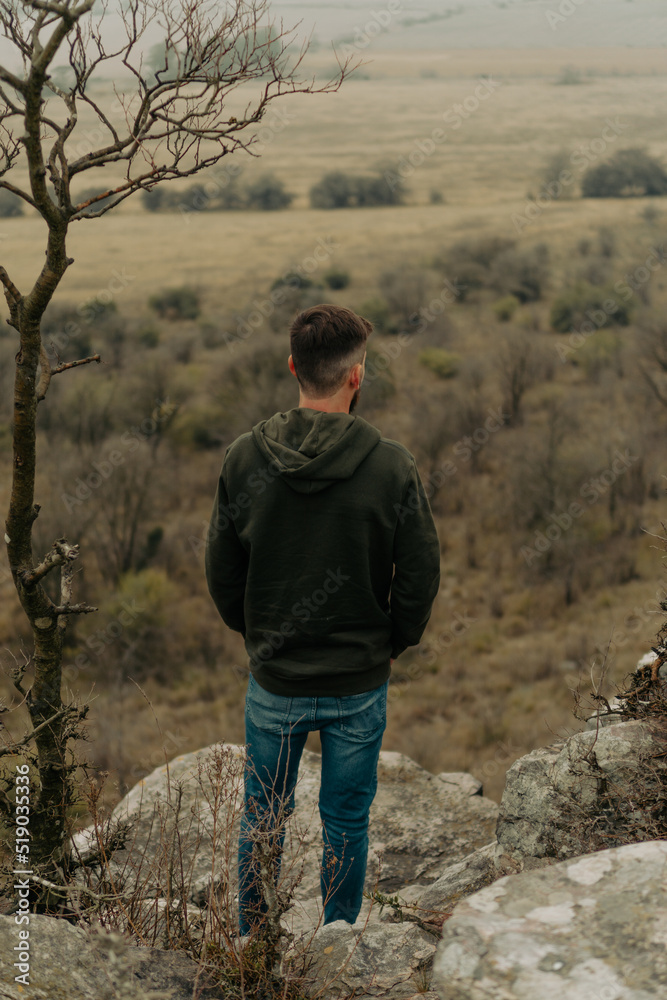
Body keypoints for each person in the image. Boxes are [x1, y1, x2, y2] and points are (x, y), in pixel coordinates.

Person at [205, 303, 440, 935]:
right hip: (359, 682)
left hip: (276, 680)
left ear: (292, 368)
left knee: (263, 817)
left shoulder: (243, 460)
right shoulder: (391, 466)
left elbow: (222, 574)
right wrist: (392, 642)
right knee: (346, 818)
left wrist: (259, 636)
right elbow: (420, 576)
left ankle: (254, 939)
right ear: (356, 376)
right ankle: (336, 940)